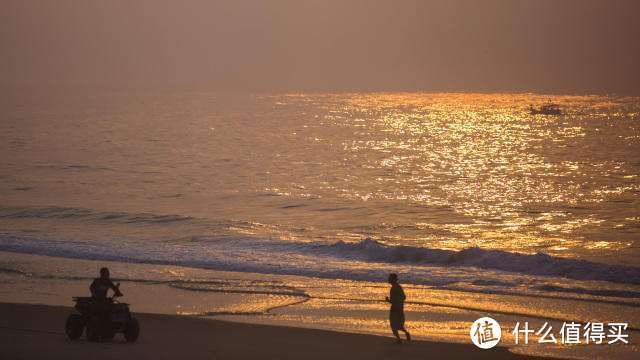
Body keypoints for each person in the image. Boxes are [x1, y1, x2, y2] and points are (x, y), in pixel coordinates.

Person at [385, 273, 411, 344]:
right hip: (400, 308)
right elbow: (404, 297)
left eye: (390, 278)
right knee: (399, 325)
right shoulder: (399, 287)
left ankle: (399, 339)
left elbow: (393, 301)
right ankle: (406, 333)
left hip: (394, 309)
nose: (388, 279)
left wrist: (387, 300)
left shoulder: (393, 288)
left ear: (393, 279)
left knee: (393, 325)